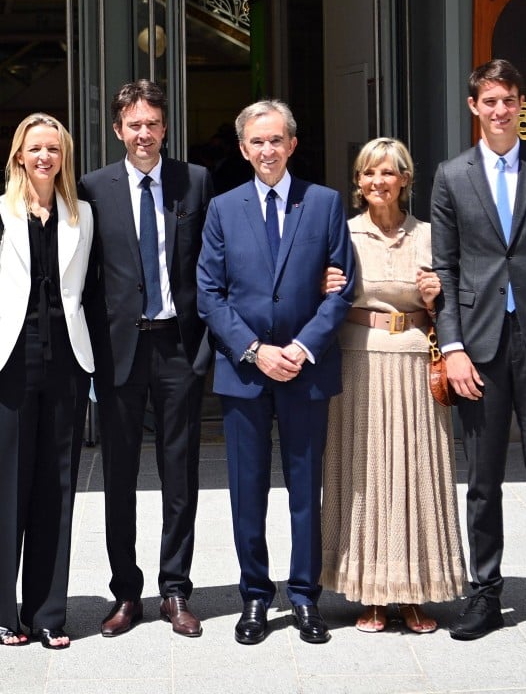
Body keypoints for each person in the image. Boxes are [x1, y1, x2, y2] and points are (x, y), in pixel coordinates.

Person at [431, 59, 526, 644]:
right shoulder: (451, 175)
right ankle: (485, 592)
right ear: (473, 106)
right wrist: (452, 347)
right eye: (490, 101)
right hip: (480, 345)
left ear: (521, 106)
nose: (500, 111)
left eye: (510, 101)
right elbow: (445, 267)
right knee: (483, 478)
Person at [197, 99, 355, 645]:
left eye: (276, 140)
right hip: (244, 373)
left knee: (306, 486)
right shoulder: (222, 208)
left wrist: (302, 347)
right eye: (256, 142)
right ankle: (256, 597)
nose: (267, 150)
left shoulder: (326, 203)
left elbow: (342, 290)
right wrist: (255, 349)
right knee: (248, 490)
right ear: (243, 150)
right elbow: (210, 294)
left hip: (306, 370)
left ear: (292, 144)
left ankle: (306, 597)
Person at [0, 113, 94, 650]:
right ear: (18, 155)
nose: (44, 158)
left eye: (53, 149)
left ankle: (49, 612)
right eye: (35, 149)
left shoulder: (82, 217)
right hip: (8, 360)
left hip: (67, 361)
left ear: (63, 157)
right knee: (9, 484)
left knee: (57, 487)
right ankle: (1, 612)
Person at [78, 80, 213, 638]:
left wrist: (206, 345)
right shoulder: (92, 187)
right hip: (119, 350)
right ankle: (126, 592)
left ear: (164, 127)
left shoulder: (195, 182)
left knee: (180, 472)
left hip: (177, 347)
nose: (143, 134)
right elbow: (84, 277)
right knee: (119, 476)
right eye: (133, 125)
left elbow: (211, 263)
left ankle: (175, 589)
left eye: (152, 124)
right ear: (118, 130)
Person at [320, 137, 466, 634]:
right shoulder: (343, 233)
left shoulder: (429, 234)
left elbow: (458, 299)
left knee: (415, 471)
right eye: (368, 173)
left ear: (406, 179)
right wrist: (322, 284)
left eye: (388, 173)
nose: (377, 182)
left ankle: (415, 593)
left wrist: (437, 294)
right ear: (358, 183)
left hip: (415, 364)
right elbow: (320, 292)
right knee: (365, 473)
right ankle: (369, 593)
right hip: (358, 361)